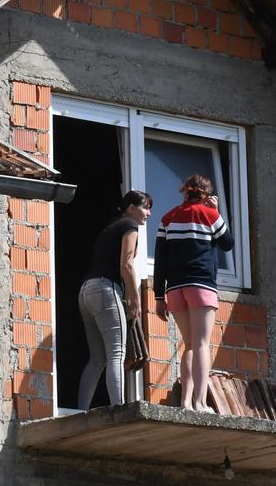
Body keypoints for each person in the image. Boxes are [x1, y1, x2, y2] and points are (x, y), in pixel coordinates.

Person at [153, 174, 233, 411]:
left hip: (175, 289)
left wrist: (159, 296)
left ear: (184, 192)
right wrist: (217, 212)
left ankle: (186, 402)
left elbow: (160, 260)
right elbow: (227, 243)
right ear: (206, 194)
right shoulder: (209, 215)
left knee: (189, 346)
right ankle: (200, 402)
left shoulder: (168, 219)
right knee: (201, 344)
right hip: (201, 286)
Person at [77, 190, 150, 409]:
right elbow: (126, 264)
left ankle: (81, 410)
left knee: (98, 358)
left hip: (86, 293)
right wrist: (135, 298)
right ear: (130, 208)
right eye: (145, 207)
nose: (149, 212)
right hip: (105, 290)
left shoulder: (110, 228)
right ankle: (119, 410)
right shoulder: (130, 226)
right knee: (116, 353)